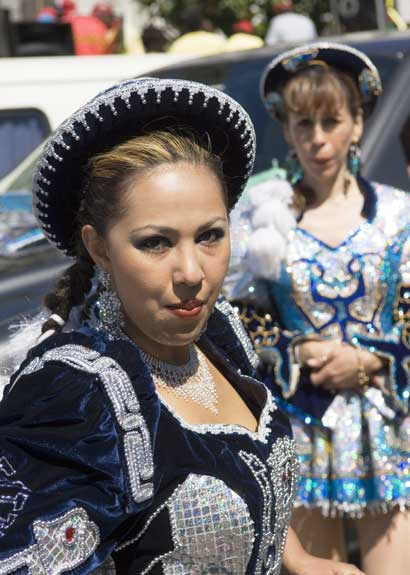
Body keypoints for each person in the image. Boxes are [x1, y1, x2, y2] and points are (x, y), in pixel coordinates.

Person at [0, 77, 365, 575]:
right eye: (156, 242)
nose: (192, 273)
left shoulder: (221, 337)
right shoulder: (76, 393)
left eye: (211, 235)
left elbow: (263, 520)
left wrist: (314, 566)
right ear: (99, 247)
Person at [225, 42, 410, 575]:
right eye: (303, 123)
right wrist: (298, 347)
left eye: (331, 121)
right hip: (302, 425)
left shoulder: (398, 215)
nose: (318, 139)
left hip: (387, 427)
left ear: (357, 124)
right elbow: (240, 322)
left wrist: (371, 361)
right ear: (287, 131)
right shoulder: (263, 220)